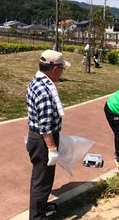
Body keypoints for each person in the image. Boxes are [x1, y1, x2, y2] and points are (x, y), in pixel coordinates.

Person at [26, 49, 70, 220]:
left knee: (40, 178)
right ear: (54, 69)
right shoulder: (45, 91)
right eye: (62, 68)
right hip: (44, 140)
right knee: (42, 182)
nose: (61, 72)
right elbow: (45, 125)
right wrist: (52, 148)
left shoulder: (36, 82)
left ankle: (41, 207)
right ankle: (37, 217)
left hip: (37, 137)